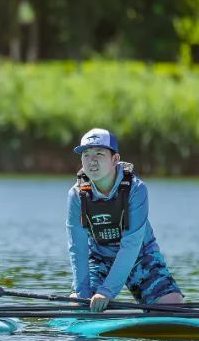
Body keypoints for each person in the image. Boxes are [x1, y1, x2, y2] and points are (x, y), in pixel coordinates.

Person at [66, 128, 184, 312]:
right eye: (86, 155)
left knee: (173, 304)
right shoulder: (76, 195)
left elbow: (131, 245)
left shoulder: (137, 190)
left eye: (99, 153)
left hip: (140, 256)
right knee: (79, 306)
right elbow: (78, 248)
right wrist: (82, 294)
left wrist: (106, 292)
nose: (92, 160)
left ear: (115, 159)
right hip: (99, 259)